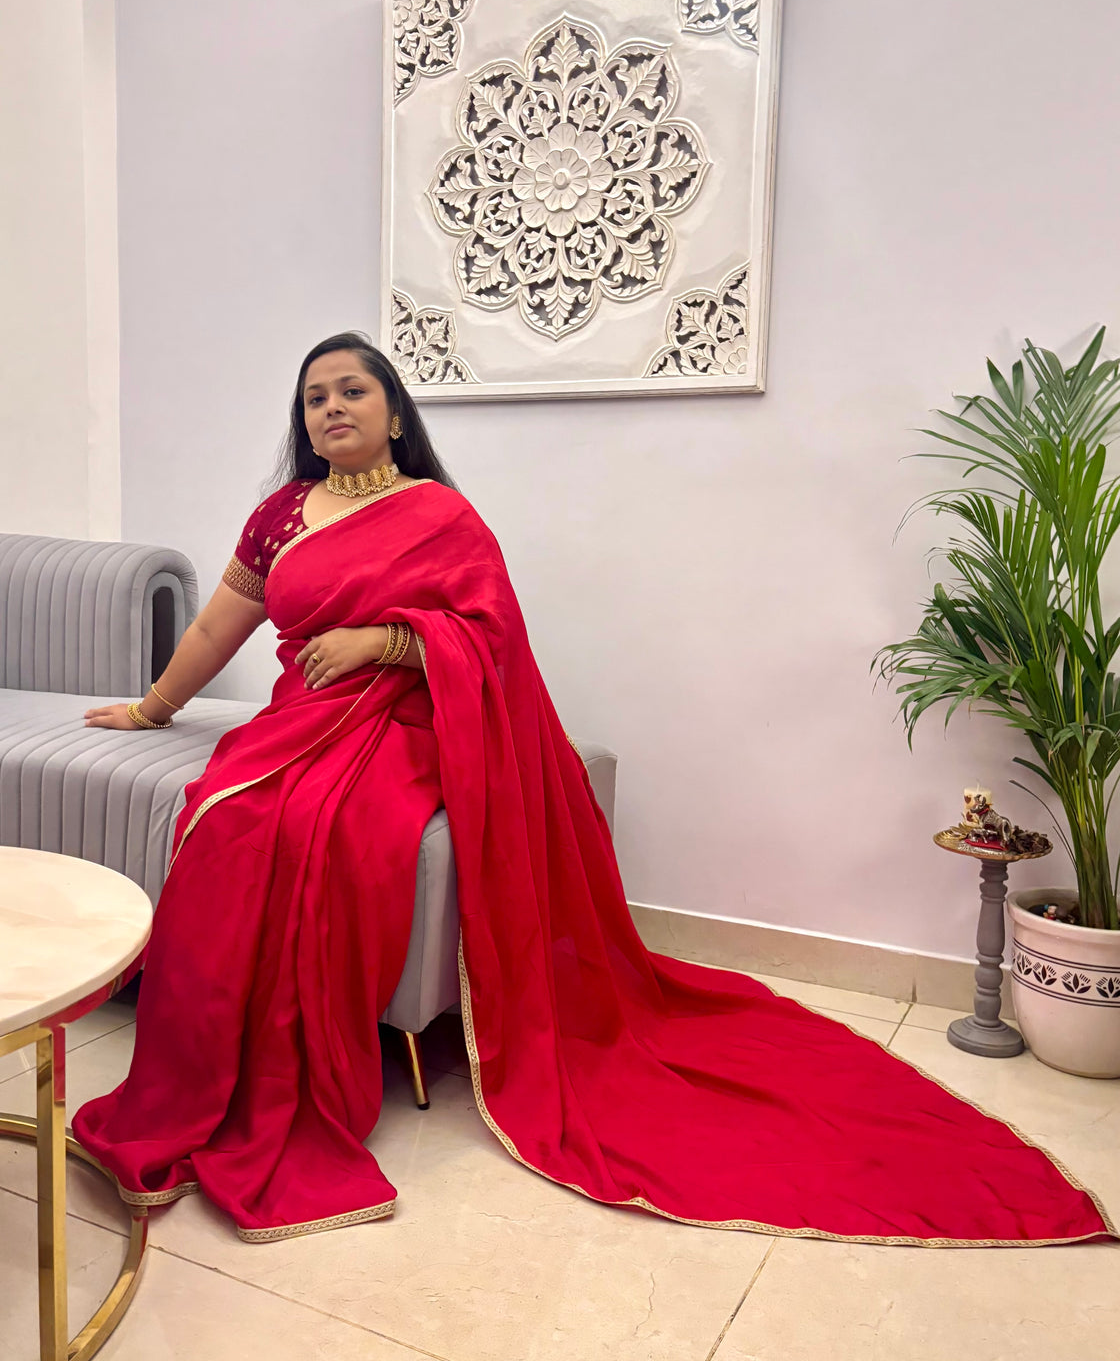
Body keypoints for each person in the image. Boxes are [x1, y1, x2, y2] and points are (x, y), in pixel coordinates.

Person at [74, 333, 1115, 1248]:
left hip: (404, 724)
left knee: (330, 830)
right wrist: (153, 709)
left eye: (352, 390)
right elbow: (221, 625)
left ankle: (305, 1076)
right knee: (231, 817)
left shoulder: (438, 512)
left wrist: (389, 639)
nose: (332, 408)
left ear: (394, 411)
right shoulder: (279, 518)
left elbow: (486, 638)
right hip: (299, 719)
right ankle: (211, 1067)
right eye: (314, 397)